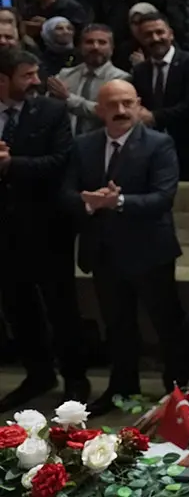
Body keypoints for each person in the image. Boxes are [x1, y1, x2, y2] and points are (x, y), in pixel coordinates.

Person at [64, 79, 187, 417]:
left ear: (138, 104)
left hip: (150, 252)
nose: (120, 110)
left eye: (127, 103)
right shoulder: (83, 145)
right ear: (99, 109)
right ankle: (122, 388)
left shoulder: (159, 143)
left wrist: (117, 202)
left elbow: (163, 197)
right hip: (104, 253)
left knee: (166, 325)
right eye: (112, 104)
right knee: (117, 327)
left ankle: (177, 392)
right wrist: (88, 202)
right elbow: (66, 193)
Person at [0, 48, 89, 409]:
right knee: (17, 307)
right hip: (4, 231)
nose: (36, 81)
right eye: (27, 75)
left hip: (47, 226)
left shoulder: (51, 111)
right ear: (3, 80)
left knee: (61, 307)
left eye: (36, 73)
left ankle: (76, 379)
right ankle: (38, 374)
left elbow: (59, 162)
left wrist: (11, 164)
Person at [132, 13, 189, 182]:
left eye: (159, 32)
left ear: (171, 34)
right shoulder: (140, 71)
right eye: (148, 34)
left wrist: (154, 116)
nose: (155, 38)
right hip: (152, 151)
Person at [46, 25, 131, 135]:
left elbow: (108, 112)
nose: (95, 47)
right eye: (89, 42)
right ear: (80, 47)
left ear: (112, 48)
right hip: (65, 139)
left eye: (102, 42)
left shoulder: (121, 79)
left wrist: (68, 98)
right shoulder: (65, 75)